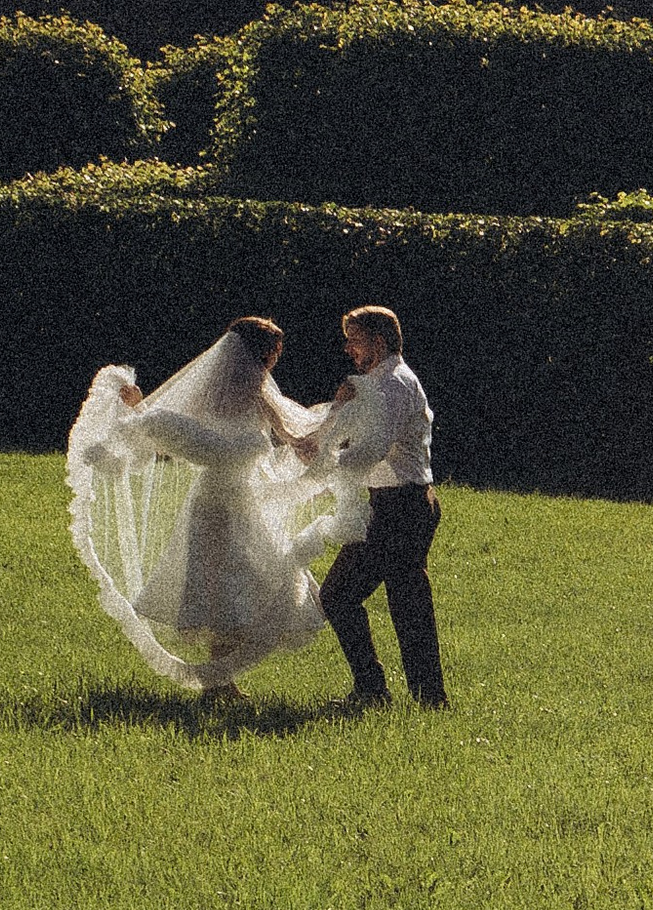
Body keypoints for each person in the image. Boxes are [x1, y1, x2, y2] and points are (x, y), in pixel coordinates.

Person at [65, 315, 329, 703]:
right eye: (273, 352)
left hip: (245, 500)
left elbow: (291, 434)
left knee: (240, 584)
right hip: (217, 504)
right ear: (258, 355)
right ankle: (219, 684)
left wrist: (324, 434)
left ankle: (221, 682)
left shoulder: (259, 394)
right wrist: (139, 410)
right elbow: (170, 430)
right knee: (223, 587)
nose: (276, 360)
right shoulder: (213, 393)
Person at [308, 303, 446, 710]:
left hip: (400, 507)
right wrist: (338, 411)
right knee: (407, 599)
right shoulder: (378, 384)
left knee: (338, 596)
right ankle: (425, 698)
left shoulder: (393, 387)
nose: (348, 349)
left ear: (379, 342)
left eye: (355, 340)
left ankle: (375, 691)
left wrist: (320, 466)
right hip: (400, 504)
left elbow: (370, 451)